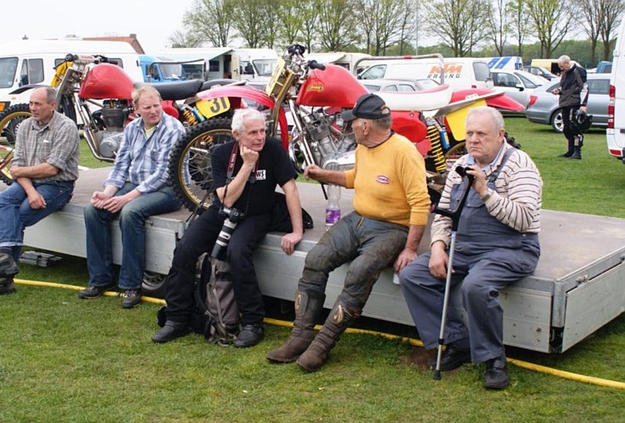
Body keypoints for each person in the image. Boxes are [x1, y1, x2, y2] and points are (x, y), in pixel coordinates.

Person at [267, 93, 431, 372]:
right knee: (315, 259)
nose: (349, 126)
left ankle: (322, 345)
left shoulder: (404, 152)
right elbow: (355, 178)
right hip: (358, 219)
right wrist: (322, 174)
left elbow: (421, 203)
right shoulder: (364, 147)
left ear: (366, 126)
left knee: (359, 272)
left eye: (352, 121)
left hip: (392, 228)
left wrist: (411, 248)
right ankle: (300, 336)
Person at [399, 106, 542, 390]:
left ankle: (494, 359)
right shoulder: (461, 164)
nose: (473, 140)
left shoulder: (520, 165)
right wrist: (438, 246)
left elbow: (525, 219)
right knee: (412, 275)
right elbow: (443, 213)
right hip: (465, 247)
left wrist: (486, 193)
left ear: (500, 135)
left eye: (482, 134)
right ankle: (458, 341)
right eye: (470, 134)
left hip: (512, 247)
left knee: (475, 287)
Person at [152, 108, 303, 347]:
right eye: (253, 132)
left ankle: (253, 323)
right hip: (223, 209)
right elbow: (226, 199)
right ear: (237, 135)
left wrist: (297, 231)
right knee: (186, 248)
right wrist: (247, 166)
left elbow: (291, 189)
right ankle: (177, 318)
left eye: (263, 131)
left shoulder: (273, 149)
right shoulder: (222, 154)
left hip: (257, 213)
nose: (260, 137)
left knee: (237, 251)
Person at [79, 85, 183, 309]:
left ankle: (131, 285)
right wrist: (107, 192)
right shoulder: (131, 129)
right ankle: (100, 280)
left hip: (169, 189)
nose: (154, 111)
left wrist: (126, 198)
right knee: (92, 209)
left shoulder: (173, 128)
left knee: (131, 212)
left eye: (157, 105)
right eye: (147, 107)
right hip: (135, 184)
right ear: (135, 109)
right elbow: (121, 165)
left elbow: (164, 173)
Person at [0, 87, 80, 296]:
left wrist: (22, 173)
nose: (32, 108)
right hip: (28, 183)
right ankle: (5, 262)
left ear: (52, 105)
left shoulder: (66, 127)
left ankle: (3, 279)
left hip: (58, 185)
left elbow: (52, 168)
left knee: (18, 216)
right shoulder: (23, 126)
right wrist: (30, 191)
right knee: (4, 201)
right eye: (31, 103)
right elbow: (16, 167)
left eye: (38, 104)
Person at [552, 55, 589, 159]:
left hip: (575, 103)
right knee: (566, 129)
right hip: (565, 103)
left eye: (562, 66)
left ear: (567, 63)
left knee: (574, 128)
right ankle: (570, 150)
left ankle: (577, 152)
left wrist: (583, 104)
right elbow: (565, 87)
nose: (560, 68)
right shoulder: (565, 73)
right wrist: (558, 91)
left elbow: (584, 88)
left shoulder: (578, 71)